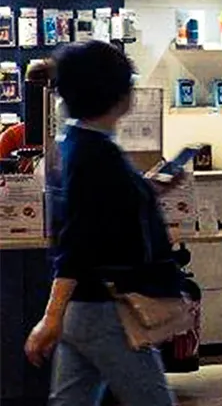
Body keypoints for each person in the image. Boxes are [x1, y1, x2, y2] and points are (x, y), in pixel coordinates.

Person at [25, 41, 185, 406]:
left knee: (71, 401)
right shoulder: (98, 155)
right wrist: (50, 317)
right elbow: (78, 241)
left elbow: (97, 210)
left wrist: (146, 188)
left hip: (84, 309)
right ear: (116, 94)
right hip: (107, 309)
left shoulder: (77, 143)